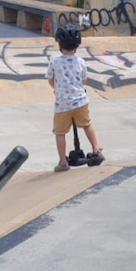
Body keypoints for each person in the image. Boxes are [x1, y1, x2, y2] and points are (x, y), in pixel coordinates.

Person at [46, 25, 105, 172]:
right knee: (87, 124)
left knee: (60, 133)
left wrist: (57, 89)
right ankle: (96, 149)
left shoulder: (54, 62)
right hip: (80, 101)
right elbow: (83, 80)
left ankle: (62, 162)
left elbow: (50, 80)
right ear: (77, 45)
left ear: (59, 44)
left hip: (62, 105)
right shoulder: (81, 62)